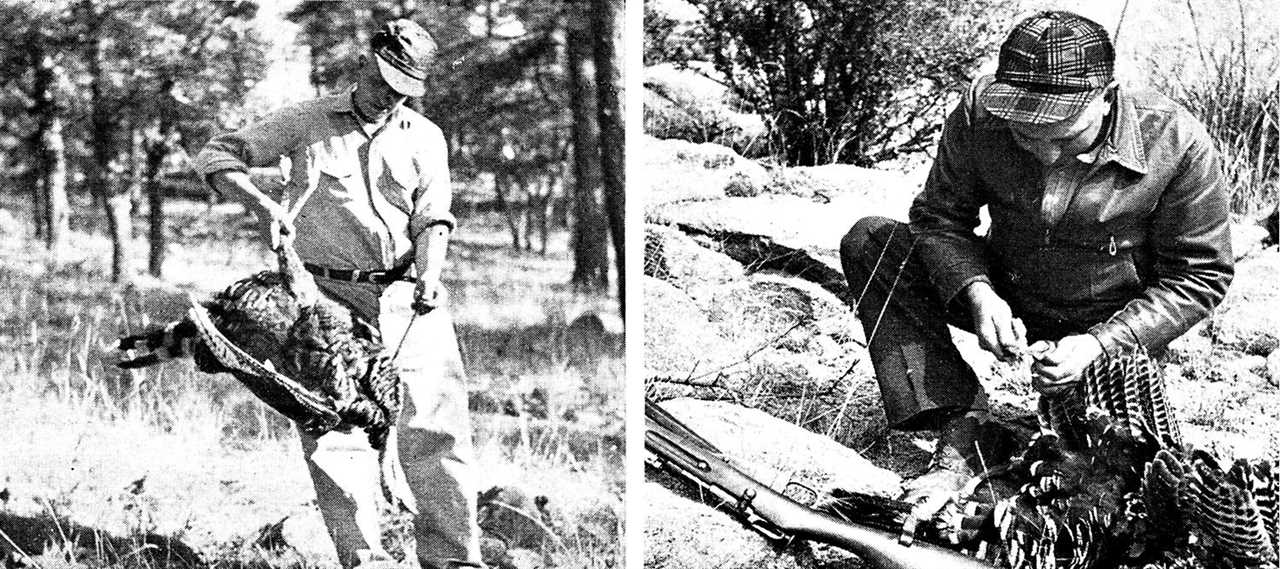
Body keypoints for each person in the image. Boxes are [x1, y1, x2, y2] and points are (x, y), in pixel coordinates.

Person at [839, 11, 1233, 511]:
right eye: (1026, 134)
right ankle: (962, 421)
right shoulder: (980, 112)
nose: (1045, 152)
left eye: (1063, 135)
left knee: (1108, 478)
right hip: (1008, 287)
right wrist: (976, 291)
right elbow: (939, 216)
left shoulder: (1176, 142)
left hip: (1107, 321)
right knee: (873, 243)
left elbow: (1199, 276)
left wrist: (1099, 345)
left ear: (1106, 95)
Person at [194, 19, 483, 569]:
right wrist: (264, 206)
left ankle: (453, 560)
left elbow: (433, 219)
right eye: (385, 82)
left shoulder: (425, 136)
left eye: (404, 90)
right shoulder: (306, 121)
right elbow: (217, 154)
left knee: (436, 431)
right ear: (365, 63)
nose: (390, 98)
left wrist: (430, 272)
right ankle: (366, 561)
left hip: (407, 299)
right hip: (324, 304)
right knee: (335, 435)